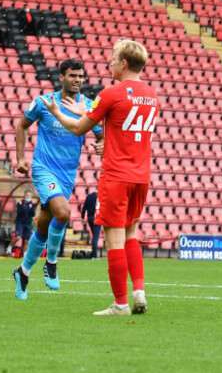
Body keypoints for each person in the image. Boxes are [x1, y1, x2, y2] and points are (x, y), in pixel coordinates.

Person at [41, 38, 157, 316]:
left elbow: (80, 129)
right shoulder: (151, 93)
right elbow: (121, 125)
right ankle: (138, 291)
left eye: (114, 59)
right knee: (132, 233)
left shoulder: (111, 93)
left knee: (113, 238)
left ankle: (120, 304)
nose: (110, 64)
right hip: (141, 175)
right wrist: (92, 114)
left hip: (116, 175)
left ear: (124, 63)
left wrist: (57, 112)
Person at [12, 58, 103, 300]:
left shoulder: (88, 107)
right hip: (43, 169)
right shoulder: (43, 103)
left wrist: (103, 144)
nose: (78, 80)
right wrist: (20, 158)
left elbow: (103, 133)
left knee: (43, 226)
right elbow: (22, 126)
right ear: (61, 77)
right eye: (73, 75)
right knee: (64, 214)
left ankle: (22, 271)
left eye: (81, 76)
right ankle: (51, 262)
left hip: (67, 175)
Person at [81, 190, 101, 259]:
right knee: (95, 237)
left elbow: (84, 208)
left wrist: (83, 217)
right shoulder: (99, 197)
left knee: (94, 236)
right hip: (97, 218)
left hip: (90, 218)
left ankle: (94, 253)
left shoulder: (89, 196)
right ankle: (94, 255)